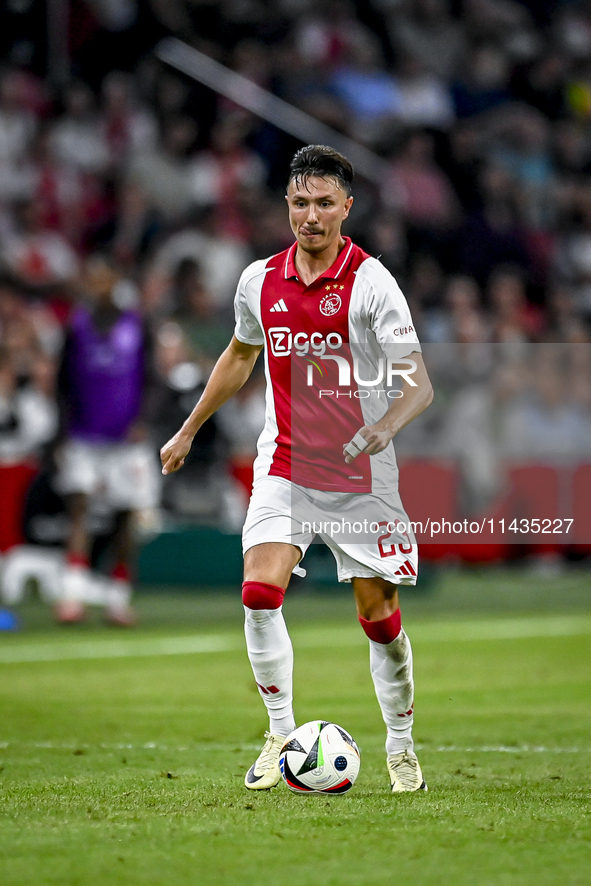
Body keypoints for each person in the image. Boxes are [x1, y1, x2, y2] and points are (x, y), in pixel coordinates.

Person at [160, 145, 434, 793]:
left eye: (322, 203)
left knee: (379, 618)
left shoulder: (371, 283)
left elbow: (417, 384)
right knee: (258, 591)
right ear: (286, 205)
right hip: (284, 465)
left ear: (346, 207)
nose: (309, 215)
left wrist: (382, 428)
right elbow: (237, 355)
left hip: (359, 476)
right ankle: (280, 731)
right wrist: (189, 428)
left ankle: (399, 745)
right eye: (298, 202)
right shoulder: (258, 280)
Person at [55, 254, 161, 625]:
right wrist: (59, 434)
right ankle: (72, 596)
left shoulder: (138, 325)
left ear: (115, 281)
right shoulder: (76, 326)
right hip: (84, 437)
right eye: (92, 278)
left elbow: (151, 377)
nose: (97, 285)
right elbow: (61, 381)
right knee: (80, 509)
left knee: (126, 519)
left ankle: (118, 599)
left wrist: (144, 419)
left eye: (103, 278)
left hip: (126, 439)